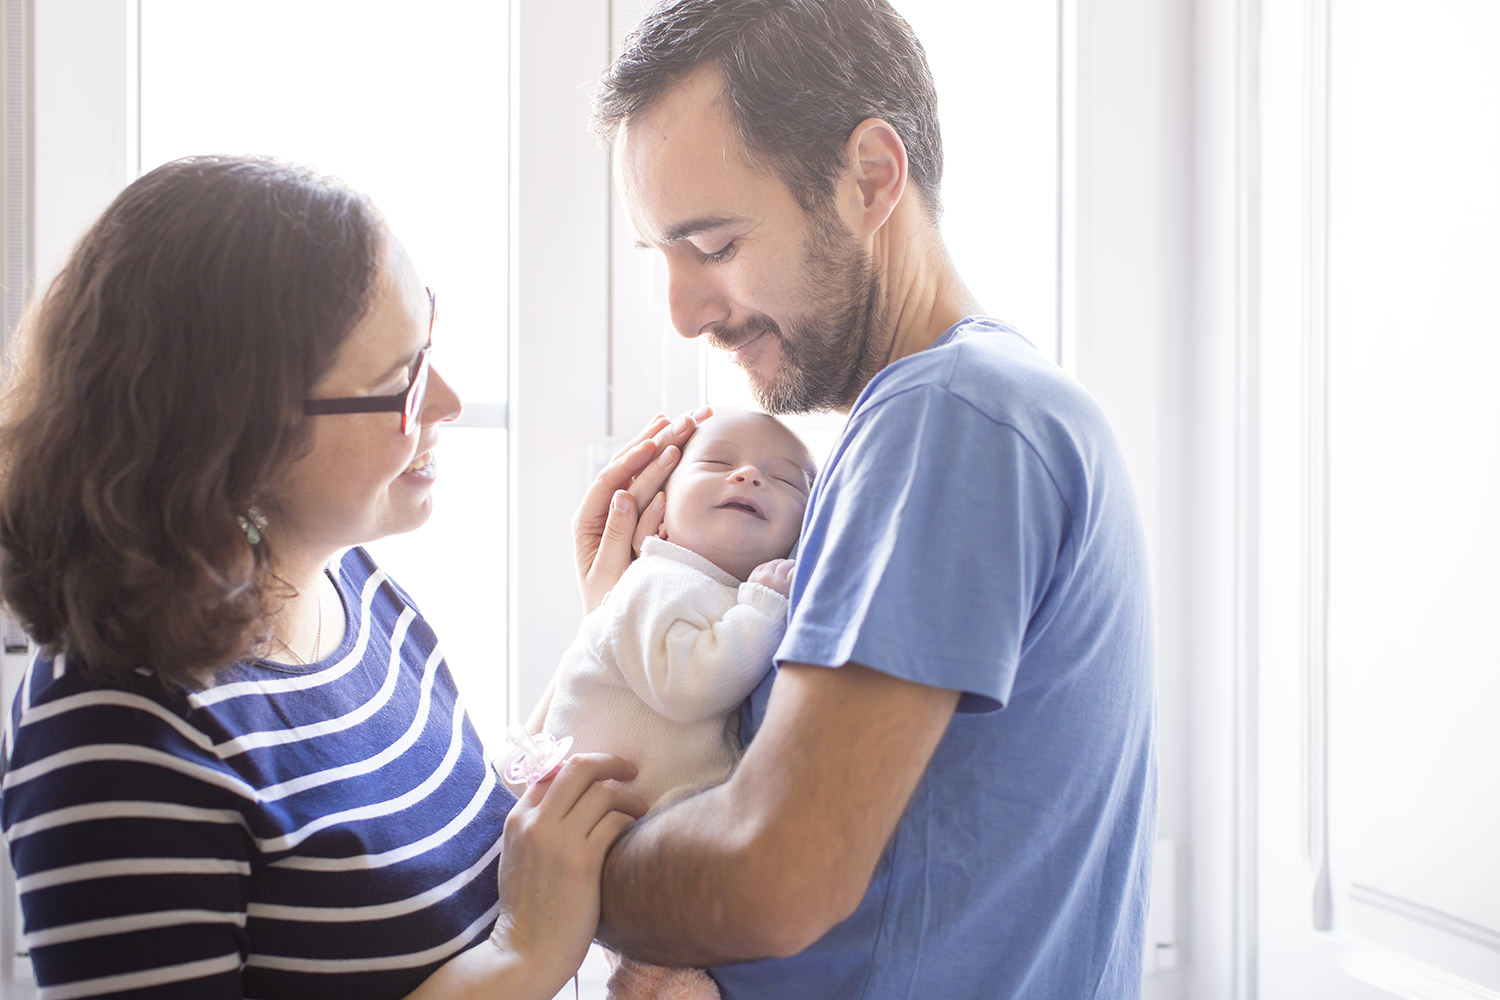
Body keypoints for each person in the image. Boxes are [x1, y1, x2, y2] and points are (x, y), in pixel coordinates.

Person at [574, 1, 1158, 998]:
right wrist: (637, 625)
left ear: (871, 178)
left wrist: (562, 870)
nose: (683, 313)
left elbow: (774, 878)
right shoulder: (956, 415)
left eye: (711, 246)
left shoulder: (952, 416)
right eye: (660, 259)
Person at [0, 155, 667, 1000]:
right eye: (403, 383)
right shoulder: (110, 731)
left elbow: (435, 846)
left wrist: (603, 640)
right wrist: (524, 955)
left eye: (429, 344)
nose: (449, 402)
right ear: (239, 435)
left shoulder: (349, 586)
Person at [527, 411, 814, 1000]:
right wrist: (763, 607)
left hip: (644, 828)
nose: (749, 476)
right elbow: (689, 685)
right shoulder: (658, 580)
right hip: (617, 830)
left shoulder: (711, 590)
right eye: (716, 463)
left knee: (663, 968)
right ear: (660, 505)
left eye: (785, 480)